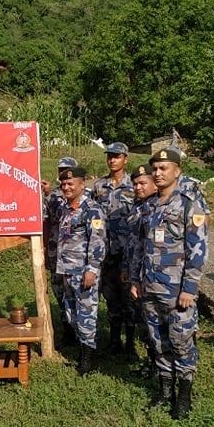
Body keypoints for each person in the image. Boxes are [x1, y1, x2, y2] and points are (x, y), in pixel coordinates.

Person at [131, 147, 209, 420]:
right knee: (157, 341)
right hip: (150, 287)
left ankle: (184, 394)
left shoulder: (189, 204)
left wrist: (190, 287)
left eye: (164, 168)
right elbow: (140, 246)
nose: (158, 173)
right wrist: (135, 279)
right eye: (155, 168)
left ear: (177, 171)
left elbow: (198, 248)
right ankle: (165, 391)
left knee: (181, 340)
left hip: (177, 291)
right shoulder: (150, 205)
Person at [55, 166, 106, 374]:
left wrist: (92, 269)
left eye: (70, 183)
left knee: (86, 314)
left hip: (83, 272)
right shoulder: (66, 209)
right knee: (71, 313)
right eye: (64, 184)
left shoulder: (92, 210)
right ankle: (81, 350)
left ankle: (88, 360)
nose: (66, 187)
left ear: (82, 184)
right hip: (67, 270)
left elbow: (98, 241)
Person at [92, 142, 134, 355]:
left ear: (125, 159)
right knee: (111, 297)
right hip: (107, 253)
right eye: (109, 156)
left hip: (128, 253)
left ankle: (131, 344)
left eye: (116, 156)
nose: (112, 160)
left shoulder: (134, 186)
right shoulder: (99, 186)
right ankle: (115, 341)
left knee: (129, 299)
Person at [123, 164, 157, 373]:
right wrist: (128, 269)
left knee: (155, 325)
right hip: (136, 274)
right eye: (135, 184)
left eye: (143, 183)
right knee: (144, 322)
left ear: (154, 183)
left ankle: (160, 367)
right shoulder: (137, 207)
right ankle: (152, 363)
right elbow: (132, 242)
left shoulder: (158, 207)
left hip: (154, 276)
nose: (138, 187)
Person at [44, 157, 79, 347]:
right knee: (60, 292)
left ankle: (83, 334)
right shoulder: (54, 196)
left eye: (68, 170)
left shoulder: (86, 196)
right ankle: (67, 330)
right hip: (56, 253)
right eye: (61, 170)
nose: (64, 173)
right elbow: (47, 222)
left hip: (76, 257)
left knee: (77, 294)